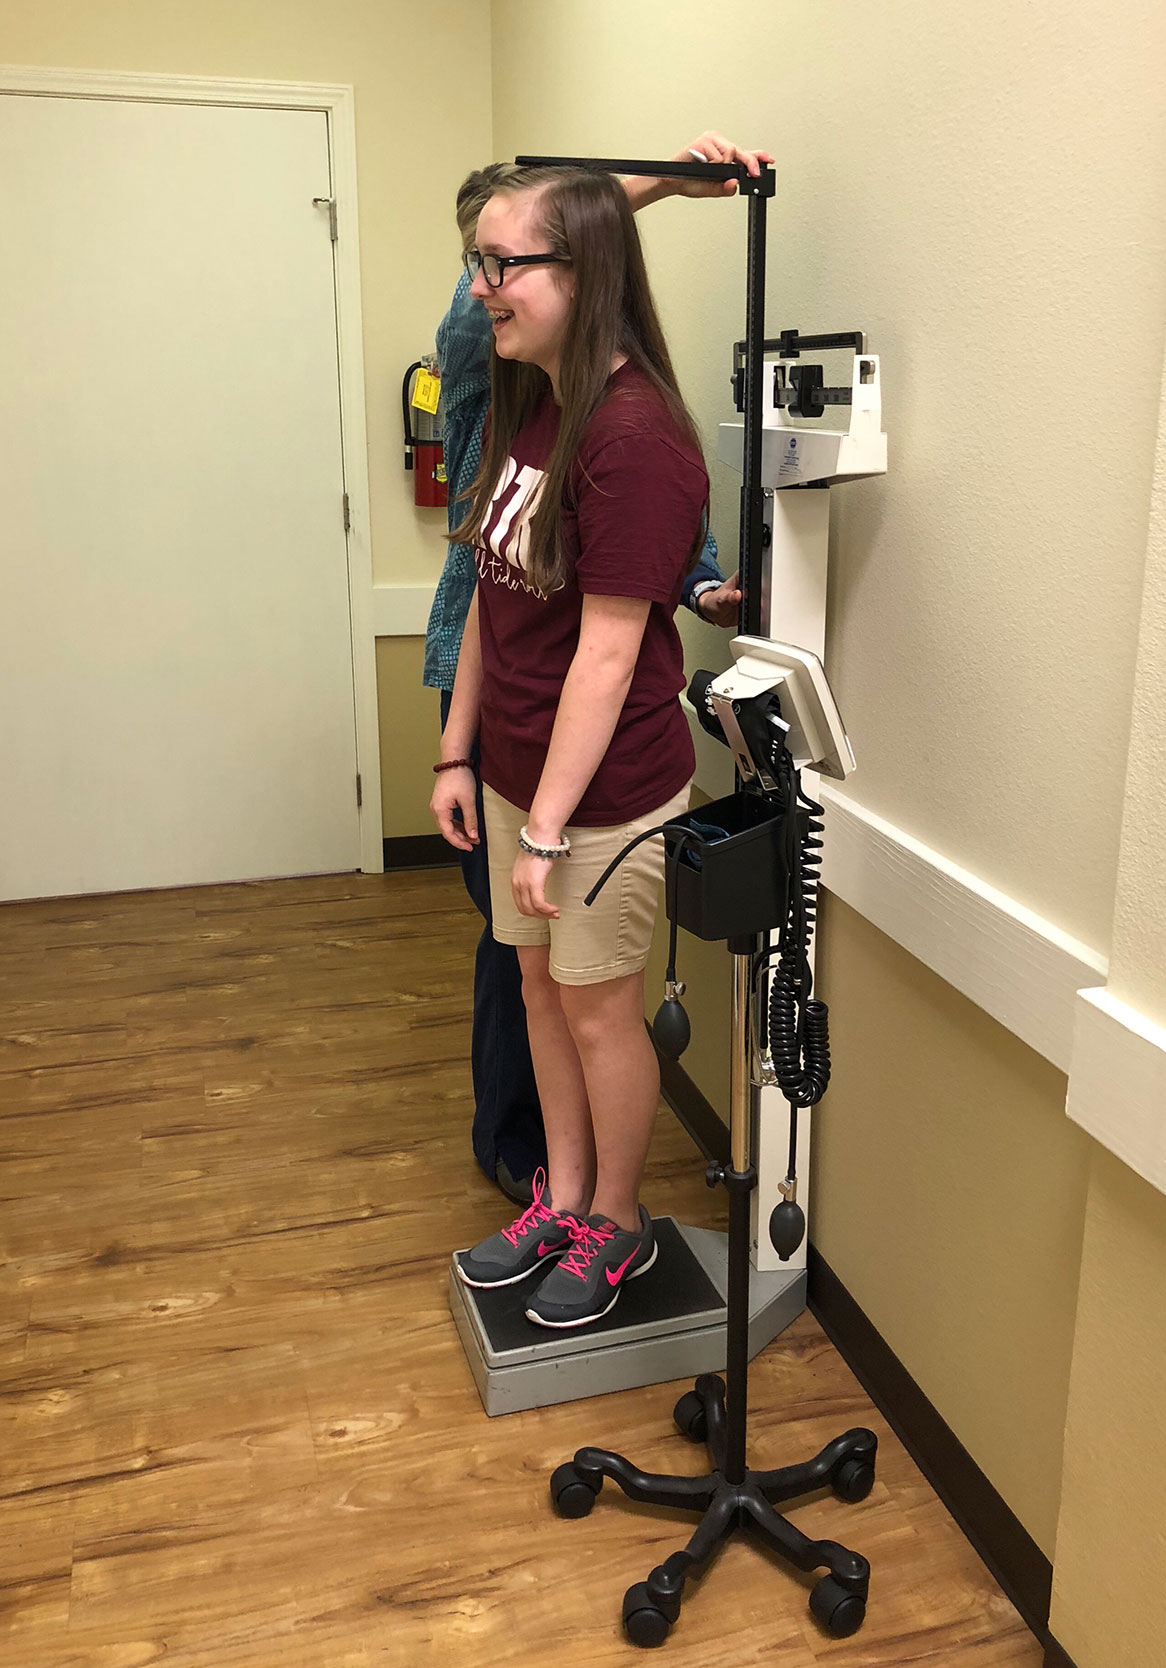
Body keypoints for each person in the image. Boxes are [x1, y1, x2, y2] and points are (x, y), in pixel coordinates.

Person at [431, 162, 748, 1329]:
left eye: (504, 265)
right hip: (514, 770)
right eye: (481, 262)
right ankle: (560, 1197)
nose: (482, 290)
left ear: (586, 272)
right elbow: (489, 596)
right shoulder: (532, 406)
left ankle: (615, 1217)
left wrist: (552, 826)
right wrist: (457, 756)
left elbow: (609, 659)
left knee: (598, 1008)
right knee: (534, 990)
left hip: (602, 799)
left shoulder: (637, 438)